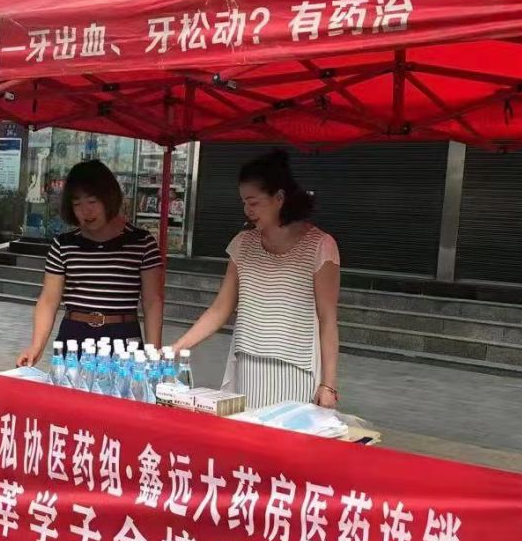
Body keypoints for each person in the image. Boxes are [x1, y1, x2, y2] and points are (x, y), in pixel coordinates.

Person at [172, 150, 340, 408]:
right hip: (247, 364)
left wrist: (328, 385)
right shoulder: (243, 244)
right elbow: (220, 309)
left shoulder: (320, 246)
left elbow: (328, 319)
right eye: (244, 202)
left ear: (279, 198)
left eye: (254, 202)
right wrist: (178, 346)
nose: (247, 210)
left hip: (297, 370)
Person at [17, 159, 163, 366]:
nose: (85, 211)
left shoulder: (141, 242)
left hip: (123, 338)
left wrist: (154, 353)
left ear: (109, 199)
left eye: (92, 202)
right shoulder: (64, 244)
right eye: (77, 204)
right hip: (74, 337)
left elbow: (152, 301)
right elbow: (49, 300)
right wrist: (36, 346)